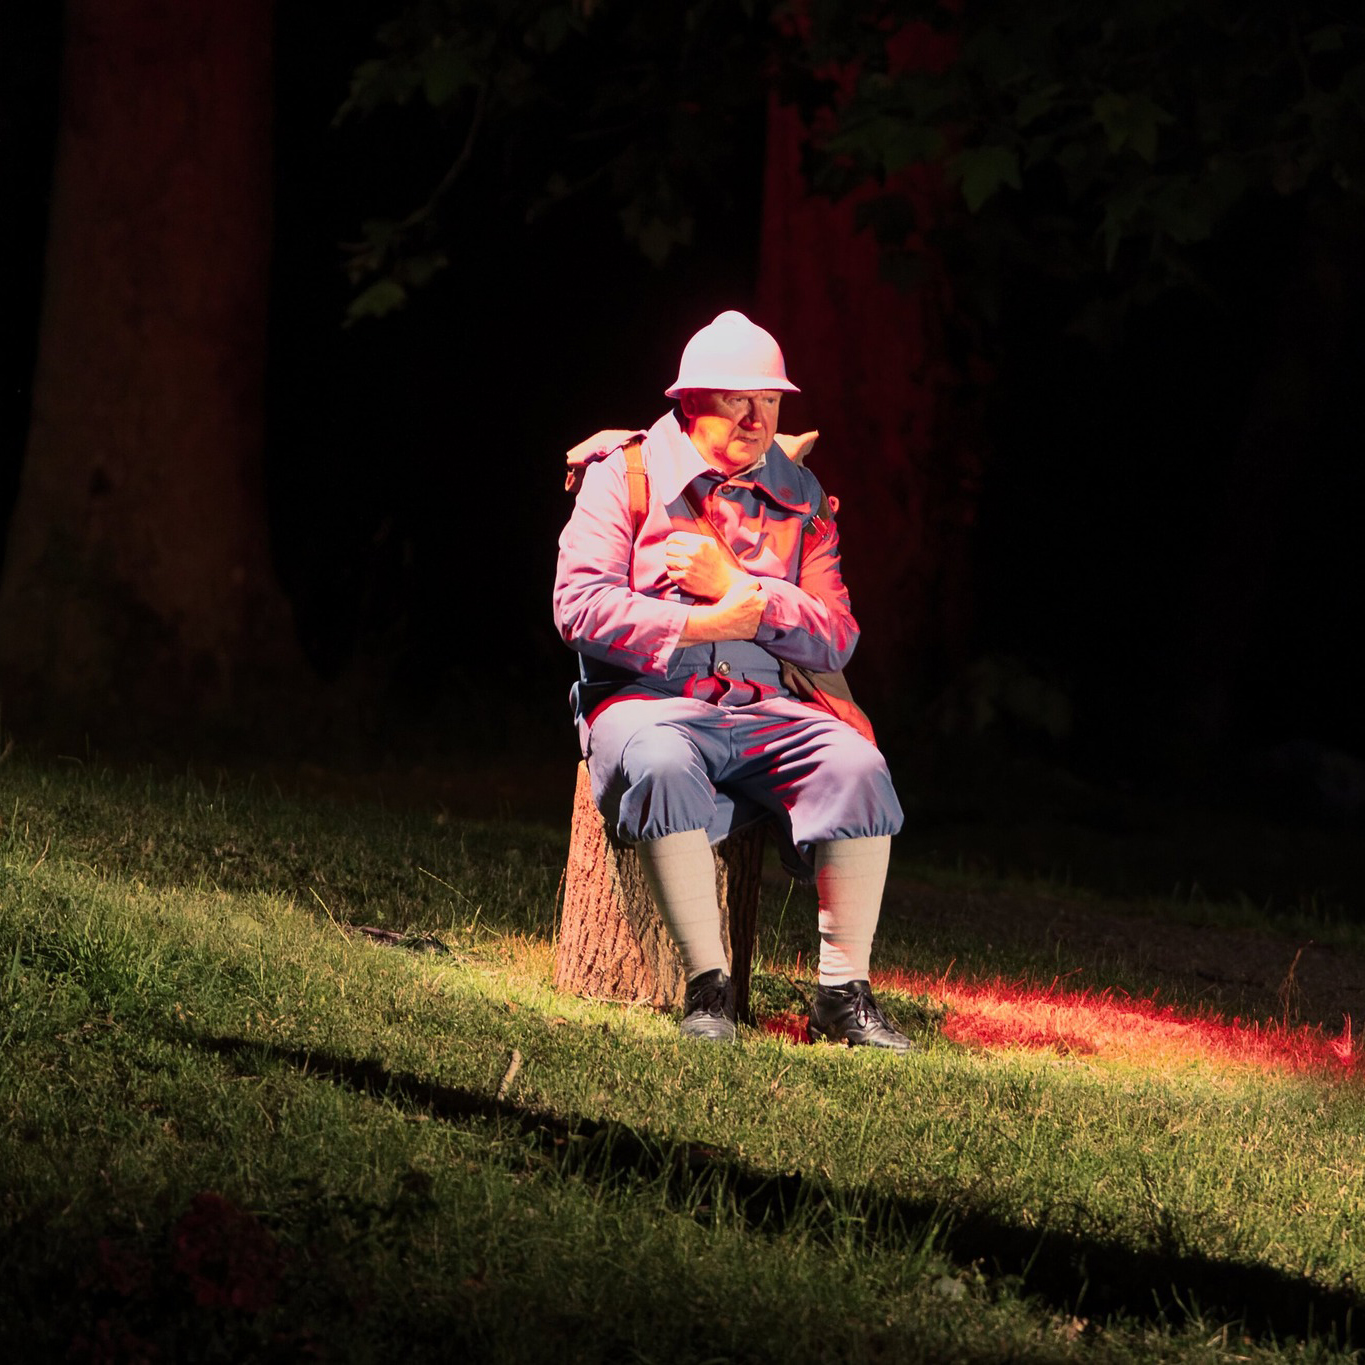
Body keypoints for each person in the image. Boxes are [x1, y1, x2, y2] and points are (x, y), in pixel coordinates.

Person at [553, 311, 910, 1051]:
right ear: (690, 401)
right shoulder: (625, 474)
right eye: (734, 399)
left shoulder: (802, 494)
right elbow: (578, 608)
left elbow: (836, 632)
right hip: (650, 702)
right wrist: (701, 626)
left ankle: (842, 994)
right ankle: (707, 987)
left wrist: (742, 590)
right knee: (658, 760)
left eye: (769, 401)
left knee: (857, 766)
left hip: (766, 708)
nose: (755, 416)